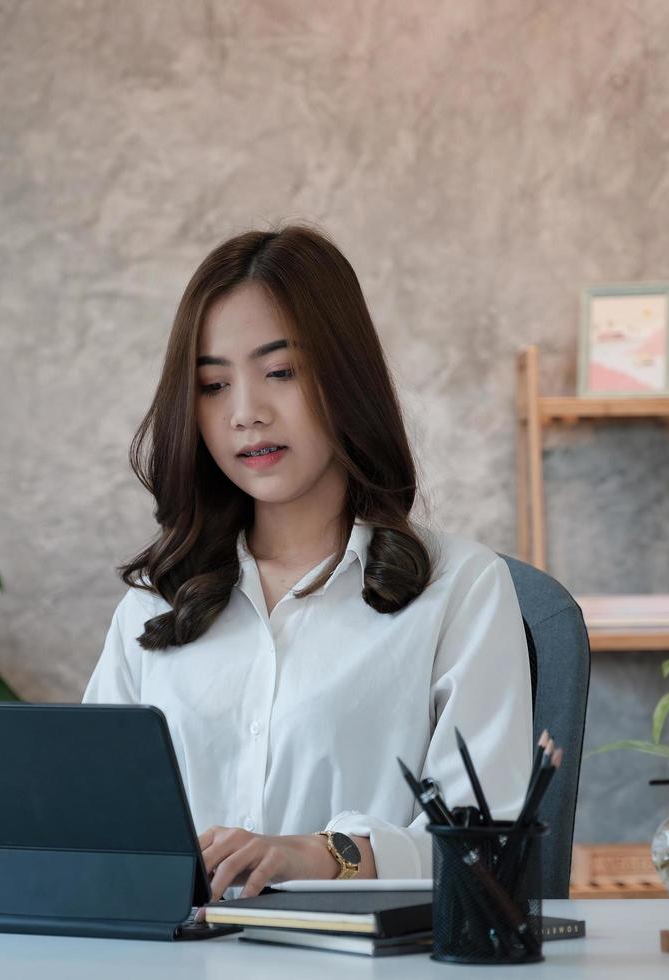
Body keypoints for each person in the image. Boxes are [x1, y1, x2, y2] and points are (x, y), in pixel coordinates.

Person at [83, 223, 532, 901]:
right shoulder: (155, 608)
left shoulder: (461, 590)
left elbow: (484, 842)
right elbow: (88, 825)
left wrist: (326, 855)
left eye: (280, 372)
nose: (246, 414)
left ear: (344, 375)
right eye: (212, 385)